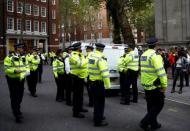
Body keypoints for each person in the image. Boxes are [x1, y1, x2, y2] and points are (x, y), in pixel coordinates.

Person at [140, 37, 167, 130]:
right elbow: (161, 72)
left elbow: (143, 70)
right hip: (154, 85)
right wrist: (164, 86)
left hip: (146, 85)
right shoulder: (155, 56)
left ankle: (153, 124)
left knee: (151, 105)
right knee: (159, 104)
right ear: (156, 45)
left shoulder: (143, 55)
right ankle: (144, 122)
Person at [4, 44, 29, 123]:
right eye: (21, 48)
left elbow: (27, 66)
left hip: (21, 78)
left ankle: (17, 108)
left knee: (20, 95)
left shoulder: (24, 57)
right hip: (12, 79)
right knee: (14, 96)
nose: (23, 49)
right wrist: (14, 71)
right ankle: (16, 113)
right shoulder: (9, 58)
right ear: (17, 49)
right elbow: (6, 69)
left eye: (22, 48)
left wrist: (27, 71)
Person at [88, 43, 111, 127]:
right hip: (98, 83)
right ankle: (98, 121)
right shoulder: (101, 58)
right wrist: (108, 86)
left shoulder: (91, 56)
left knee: (96, 102)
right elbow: (104, 73)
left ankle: (97, 117)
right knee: (100, 103)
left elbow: (88, 68)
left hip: (92, 81)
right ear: (102, 49)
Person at [69, 42, 88, 118]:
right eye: (80, 47)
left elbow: (83, 63)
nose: (81, 48)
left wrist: (85, 60)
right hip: (75, 77)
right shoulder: (73, 55)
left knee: (80, 94)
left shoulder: (80, 55)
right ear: (77, 48)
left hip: (80, 77)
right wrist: (87, 60)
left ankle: (80, 108)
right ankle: (76, 112)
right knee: (76, 95)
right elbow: (80, 64)